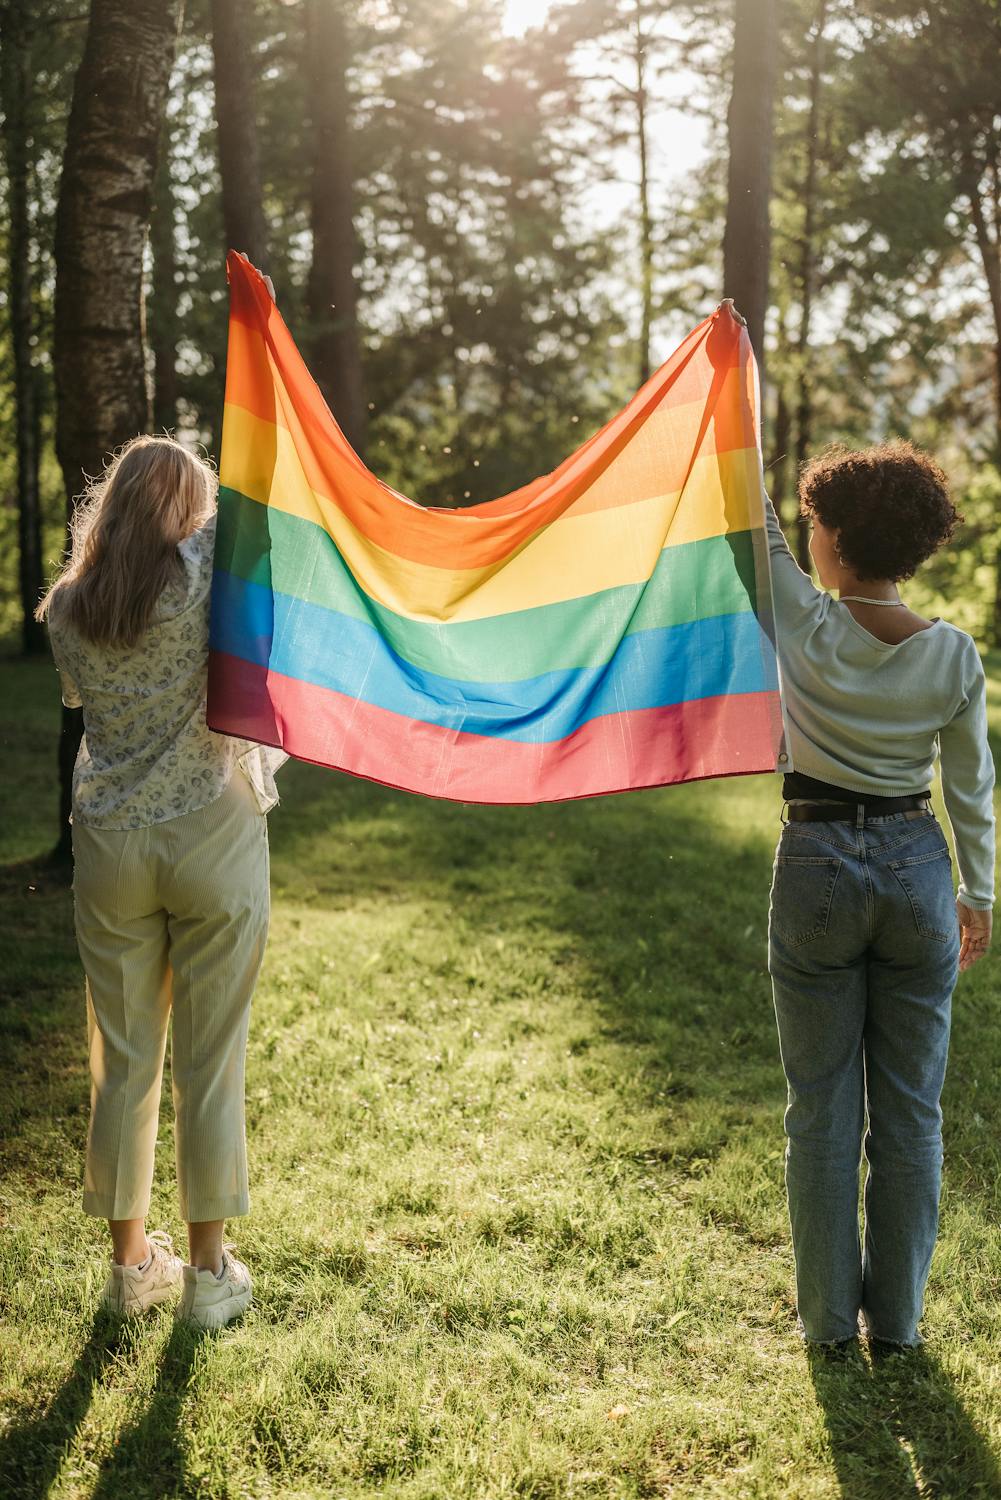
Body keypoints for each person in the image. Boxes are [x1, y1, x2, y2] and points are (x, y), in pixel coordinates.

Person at [38, 435, 286, 1329]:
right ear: (186, 510)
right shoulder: (200, 572)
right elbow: (262, 518)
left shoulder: (66, 608)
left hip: (109, 843)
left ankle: (130, 1266)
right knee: (209, 1061)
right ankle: (209, 1275)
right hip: (209, 831)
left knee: (124, 1062)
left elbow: (84, 701)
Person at [764, 441, 994, 1350]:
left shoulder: (803, 621)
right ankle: (895, 1324)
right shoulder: (954, 655)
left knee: (820, 1105)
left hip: (814, 858)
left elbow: (753, 527)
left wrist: (730, 386)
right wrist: (975, 894)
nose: (806, 536)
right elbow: (971, 788)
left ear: (835, 539)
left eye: (815, 522)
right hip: (917, 871)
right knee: (910, 1108)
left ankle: (826, 1324)